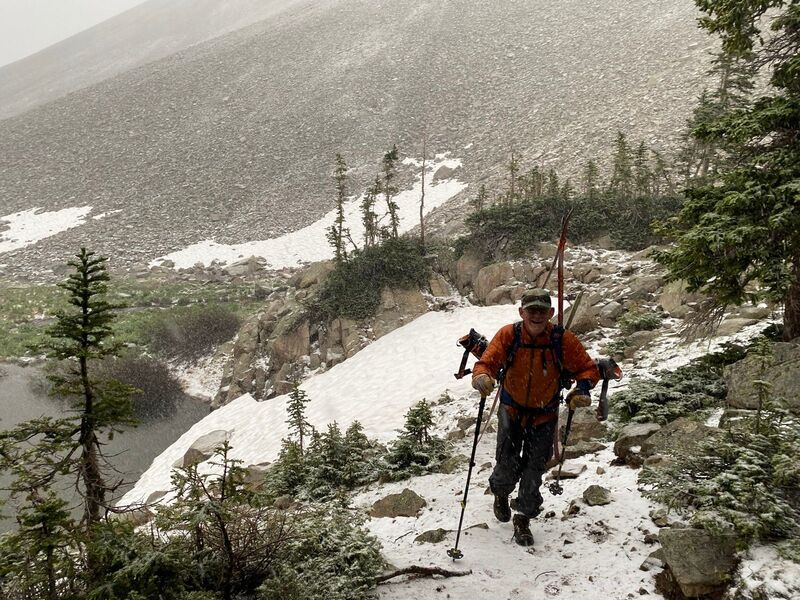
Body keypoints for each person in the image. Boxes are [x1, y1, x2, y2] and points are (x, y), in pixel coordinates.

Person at [471, 287, 600, 546]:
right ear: (522, 312)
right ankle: (501, 493)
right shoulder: (509, 334)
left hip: (544, 415)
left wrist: (583, 388)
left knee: (533, 471)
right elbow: (487, 362)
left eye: (542, 311)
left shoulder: (561, 339)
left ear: (551, 313)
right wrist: (482, 377)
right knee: (506, 463)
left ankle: (523, 519)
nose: (537, 316)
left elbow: (587, 368)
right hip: (511, 410)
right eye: (532, 311)